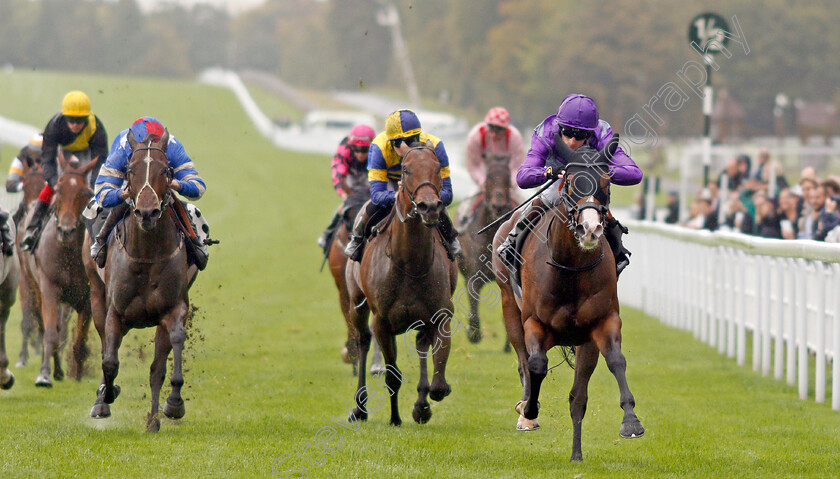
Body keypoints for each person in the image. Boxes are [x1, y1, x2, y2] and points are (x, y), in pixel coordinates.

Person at [497, 94, 642, 277]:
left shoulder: (602, 133)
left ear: (590, 132)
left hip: (588, 179)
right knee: (550, 196)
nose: (572, 141)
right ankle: (512, 243)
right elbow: (523, 177)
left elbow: (634, 173)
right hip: (559, 175)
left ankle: (618, 252)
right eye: (567, 132)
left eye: (580, 135)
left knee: (598, 202)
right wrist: (548, 172)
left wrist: (599, 173)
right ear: (559, 127)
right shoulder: (545, 134)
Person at [343, 109, 460, 261]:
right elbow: (377, 195)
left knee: (437, 207)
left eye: (414, 139)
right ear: (392, 143)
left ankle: (451, 238)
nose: (409, 147)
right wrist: (398, 195)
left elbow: (448, 194)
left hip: (423, 186)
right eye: (402, 143)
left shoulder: (436, 146)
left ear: (420, 135)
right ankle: (357, 238)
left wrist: (429, 196)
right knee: (373, 206)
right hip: (392, 184)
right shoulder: (379, 147)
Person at [90, 116, 207, 268]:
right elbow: (102, 194)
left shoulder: (171, 146)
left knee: (193, 210)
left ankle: (196, 244)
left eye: (155, 144)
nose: (150, 148)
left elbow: (198, 187)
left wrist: (175, 184)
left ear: (161, 143)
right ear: (134, 145)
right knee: (91, 208)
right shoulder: (123, 146)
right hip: (131, 186)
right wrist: (123, 194)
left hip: (161, 189)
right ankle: (100, 240)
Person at [20, 91, 108, 250]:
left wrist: (94, 185)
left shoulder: (96, 127)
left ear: (87, 118)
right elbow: (47, 158)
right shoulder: (54, 126)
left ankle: (103, 231)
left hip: (88, 156)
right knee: (50, 188)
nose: (75, 124)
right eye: (71, 120)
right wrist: (53, 182)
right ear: (64, 117)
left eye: (80, 120)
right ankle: (32, 229)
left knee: (98, 191)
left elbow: (101, 160)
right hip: (65, 155)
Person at [458, 107, 525, 226]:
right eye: (491, 128)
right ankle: (461, 228)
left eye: (498, 130)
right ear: (486, 125)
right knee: (465, 206)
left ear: (505, 129)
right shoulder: (476, 136)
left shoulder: (514, 137)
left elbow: (518, 166)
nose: (494, 134)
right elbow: (473, 166)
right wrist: (484, 182)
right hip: (485, 177)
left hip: (506, 180)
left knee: (525, 205)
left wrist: (511, 184)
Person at [316, 124, 375, 252]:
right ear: (351, 146)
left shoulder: (376, 150)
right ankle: (328, 233)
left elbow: (379, 173)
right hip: (350, 178)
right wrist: (343, 192)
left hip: (370, 176)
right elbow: (338, 173)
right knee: (344, 207)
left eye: (364, 150)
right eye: (356, 149)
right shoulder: (344, 148)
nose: (360, 154)